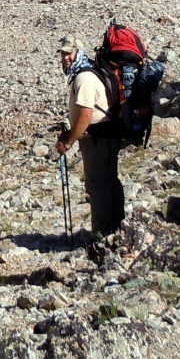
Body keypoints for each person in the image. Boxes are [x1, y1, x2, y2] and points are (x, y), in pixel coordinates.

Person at [55, 34, 125, 237]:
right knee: (109, 181)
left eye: (70, 53)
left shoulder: (84, 77)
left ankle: (102, 235)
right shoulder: (88, 73)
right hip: (105, 136)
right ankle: (116, 228)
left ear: (79, 52)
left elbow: (85, 115)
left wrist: (68, 141)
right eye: (63, 54)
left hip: (98, 139)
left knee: (98, 184)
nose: (66, 57)